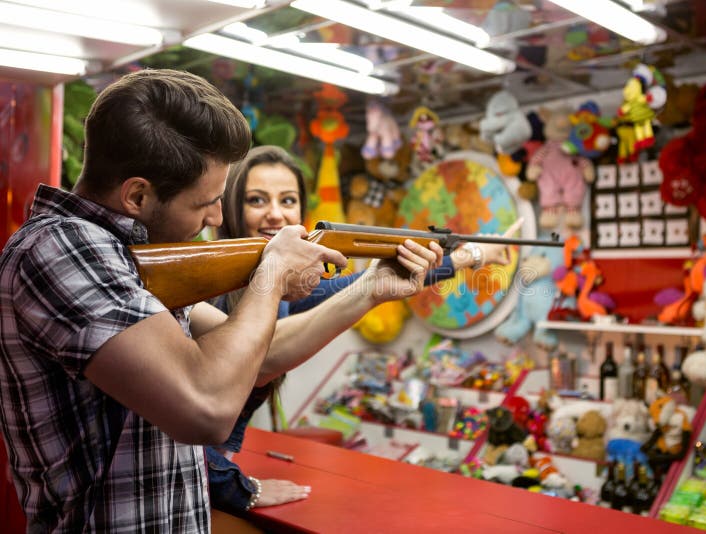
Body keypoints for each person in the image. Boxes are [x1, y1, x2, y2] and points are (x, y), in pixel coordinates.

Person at [0, 69, 441, 532]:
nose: (215, 216)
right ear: (137, 195)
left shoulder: (128, 254)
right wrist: (272, 274)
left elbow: (259, 353)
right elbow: (206, 408)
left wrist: (369, 289)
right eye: (204, 203)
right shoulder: (63, 249)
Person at [207, 144, 522, 512]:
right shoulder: (208, 289)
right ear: (229, 208)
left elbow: (365, 285)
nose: (276, 214)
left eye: (289, 200)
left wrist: (475, 255)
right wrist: (237, 488)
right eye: (257, 200)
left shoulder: (281, 287)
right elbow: (177, 433)